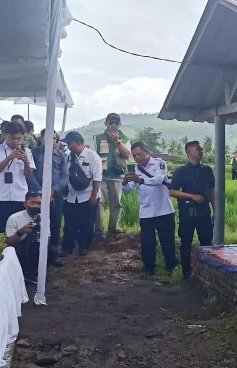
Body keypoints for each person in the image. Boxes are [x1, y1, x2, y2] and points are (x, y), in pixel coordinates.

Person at [123, 142, 177, 276]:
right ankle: (149, 268)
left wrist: (140, 180)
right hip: (146, 211)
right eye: (134, 156)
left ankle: (171, 266)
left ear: (147, 152)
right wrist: (124, 183)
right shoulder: (136, 170)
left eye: (139, 154)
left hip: (163, 210)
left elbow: (158, 180)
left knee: (167, 240)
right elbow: (129, 189)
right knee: (147, 242)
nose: (137, 158)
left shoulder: (160, 163)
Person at [169, 140, 215, 279]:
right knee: (186, 242)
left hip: (204, 211)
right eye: (198, 149)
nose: (201, 151)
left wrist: (216, 210)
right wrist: (192, 196)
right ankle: (187, 274)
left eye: (201, 148)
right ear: (189, 152)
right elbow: (172, 191)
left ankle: (208, 272)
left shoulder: (207, 170)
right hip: (187, 211)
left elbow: (212, 191)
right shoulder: (181, 171)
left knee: (207, 241)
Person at [0, 121, 35, 236]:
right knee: (2, 231)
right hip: (1, 196)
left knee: (21, 230)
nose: (16, 141)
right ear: (4, 135)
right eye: (12, 138)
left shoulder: (26, 151)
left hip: (20, 196)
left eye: (19, 138)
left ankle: (20, 253)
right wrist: (9, 157)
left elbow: (28, 175)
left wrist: (25, 161)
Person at [61, 132, 102, 257]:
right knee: (70, 223)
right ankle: (67, 247)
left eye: (70, 143)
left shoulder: (92, 156)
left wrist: (94, 196)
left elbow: (97, 178)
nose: (68, 146)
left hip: (88, 195)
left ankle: (84, 247)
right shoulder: (68, 157)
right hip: (72, 196)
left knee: (87, 223)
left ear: (78, 143)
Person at [90, 113, 131, 238]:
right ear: (106, 124)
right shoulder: (97, 138)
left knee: (116, 204)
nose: (113, 125)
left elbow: (127, 154)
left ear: (120, 125)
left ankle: (113, 229)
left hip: (117, 176)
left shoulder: (124, 138)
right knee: (99, 203)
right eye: (110, 123)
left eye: (116, 123)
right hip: (100, 177)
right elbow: (92, 156)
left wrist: (117, 141)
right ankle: (99, 230)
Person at [5, 192, 59, 284]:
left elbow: (48, 239)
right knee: (17, 249)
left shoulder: (44, 218)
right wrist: (21, 232)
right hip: (20, 247)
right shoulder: (14, 218)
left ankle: (36, 272)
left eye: (39, 203)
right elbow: (8, 242)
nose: (36, 206)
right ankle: (23, 272)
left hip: (37, 245)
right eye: (33, 203)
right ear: (25, 204)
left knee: (52, 251)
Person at [32, 130, 69, 258]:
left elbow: (65, 177)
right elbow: (30, 174)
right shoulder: (34, 154)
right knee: (37, 222)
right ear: (41, 139)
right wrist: (40, 191)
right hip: (37, 195)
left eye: (54, 138)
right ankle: (36, 254)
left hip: (55, 195)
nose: (51, 140)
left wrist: (53, 190)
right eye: (47, 137)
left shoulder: (60, 155)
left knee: (55, 223)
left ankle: (54, 254)